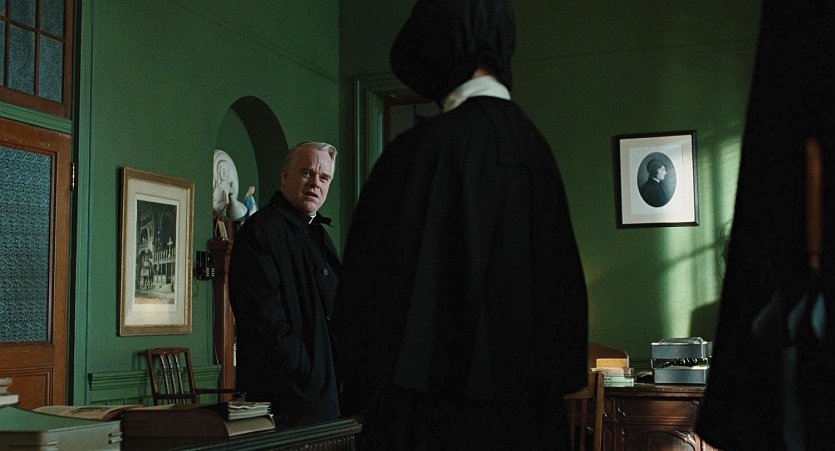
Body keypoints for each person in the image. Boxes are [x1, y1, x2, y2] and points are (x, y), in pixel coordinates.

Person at [334, 1, 589, 449]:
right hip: (528, 423)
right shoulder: (538, 151)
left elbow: (363, 298)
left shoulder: (418, 152)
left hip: (428, 420)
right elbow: (562, 301)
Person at [228, 141, 340, 425]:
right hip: (286, 401)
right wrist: (307, 370)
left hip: (326, 396)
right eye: (307, 173)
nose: (315, 183)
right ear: (285, 176)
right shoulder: (260, 231)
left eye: (324, 177)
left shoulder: (319, 235)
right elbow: (265, 321)